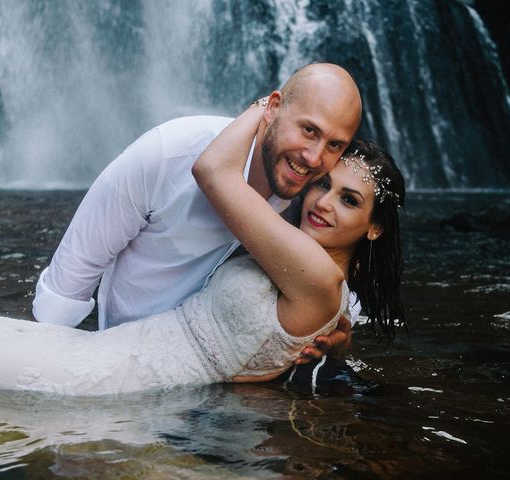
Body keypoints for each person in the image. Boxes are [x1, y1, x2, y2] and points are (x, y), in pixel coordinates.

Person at [0, 105, 405, 396]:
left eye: (349, 200)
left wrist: (264, 110)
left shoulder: (316, 278)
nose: (322, 200)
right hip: (107, 355)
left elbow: (212, 173)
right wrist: (341, 346)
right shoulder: (290, 232)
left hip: (124, 387)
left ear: (375, 228)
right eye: (324, 185)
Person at [31, 63, 362, 359]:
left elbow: (325, 290)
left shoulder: (309, 201)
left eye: (334, 145)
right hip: (121, 358)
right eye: (309, 130)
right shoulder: (167, 155)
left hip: (225, 385)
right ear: (273, 107)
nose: (315, 157)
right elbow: (65, 290)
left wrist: (338, 342)